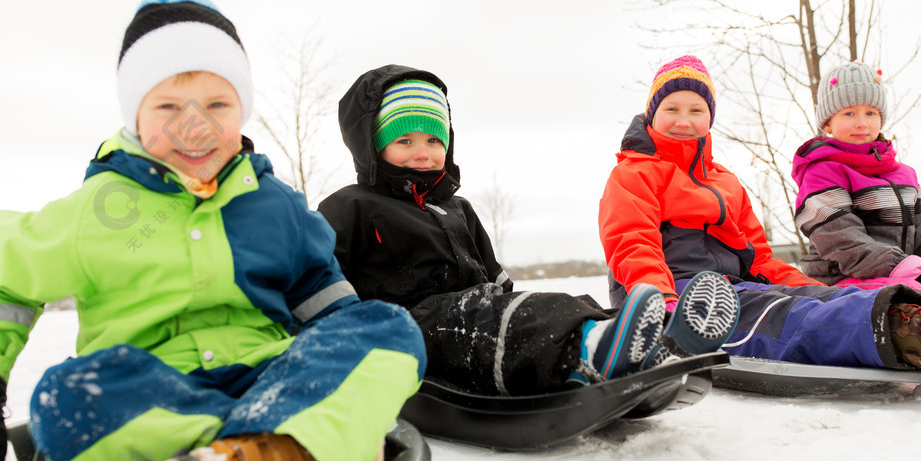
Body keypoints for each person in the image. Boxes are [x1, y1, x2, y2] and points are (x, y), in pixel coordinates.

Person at [0, 0, 426, 461]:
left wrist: (336, 363)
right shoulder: (98, 211)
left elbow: (321, 288)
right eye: (167, 106)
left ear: (242, 110)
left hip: (270, 376)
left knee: (386, 330)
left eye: (217, 102)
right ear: (134, 115)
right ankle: (288, 453)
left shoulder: (273, 205)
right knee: (64, 402)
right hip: (151, 394)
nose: (195, 125)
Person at [317, 64, 740, 398]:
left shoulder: (456, 208)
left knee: (549, 305)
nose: (423, 152)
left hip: (474, 315)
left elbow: (494, 277)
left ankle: (643, 345)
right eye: (404, 141)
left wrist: (514, 303)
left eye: (433, 139)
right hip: (405, 329)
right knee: (503, 320)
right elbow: (319, 279)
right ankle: (599, 351)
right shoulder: (352, 206)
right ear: (374, 146)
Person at [598, 55, 921, 387]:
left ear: (710, 118)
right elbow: (632, 245)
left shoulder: (726, 182)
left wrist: (814, 288)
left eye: (696, 110)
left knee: (826, 299)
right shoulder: (634, 174)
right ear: (652, 113)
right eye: (672, 109)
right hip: (679, 299)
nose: (684, 120)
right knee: (786, 318)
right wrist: (660, 305)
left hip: (735, 286)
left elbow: (761, 261)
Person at [792, 61, 921, 290]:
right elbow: (840, 238)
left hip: (906, 274)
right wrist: (900, 267)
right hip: (841, 282)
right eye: (849, 113)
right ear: (828, 123)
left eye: (870, 112)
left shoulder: (904, 174)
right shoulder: (821, 172)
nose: (861, 123)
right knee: (920, 293)